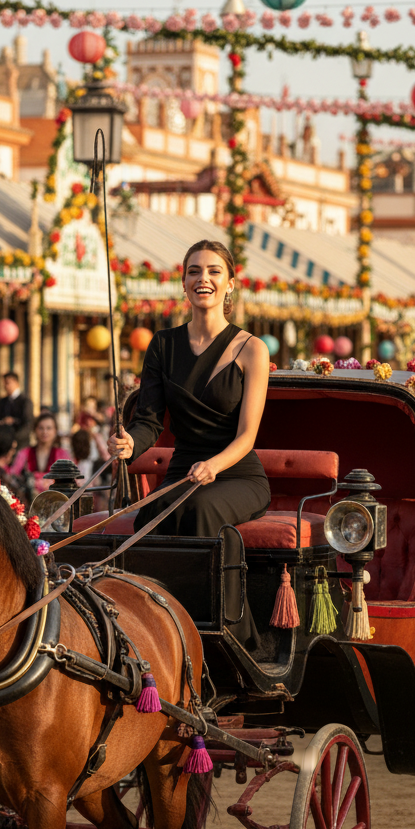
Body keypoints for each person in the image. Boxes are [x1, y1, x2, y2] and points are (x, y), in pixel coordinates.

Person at [107, 239, 270, 650]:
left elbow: (248, 435)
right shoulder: (163, 344)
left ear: (230, 284)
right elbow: (147, 421)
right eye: (194, 271)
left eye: (214, 271)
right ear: (183, 283)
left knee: (198, 509)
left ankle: (231, 636)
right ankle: (153, 635)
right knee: (149, 518)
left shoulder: (253, 349)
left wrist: (214, 465)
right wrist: (130, 445)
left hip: (236, 473)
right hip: (185, 470)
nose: (204, 279)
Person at [10, 411, 71, 495]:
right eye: (41, 428)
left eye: (49, 428)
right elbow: (13, 477)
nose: (44, 432)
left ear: (55, 431)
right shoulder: (24, 453)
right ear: (35, 430)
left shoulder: (63, 455)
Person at [0, 371, 34, 451]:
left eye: (8, 383)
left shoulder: (25, 401)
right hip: (4, 446)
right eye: (4, 383)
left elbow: (28, 424)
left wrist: (14, 438)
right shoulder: (2, 402)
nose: (5, 386)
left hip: (21, 445)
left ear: (16, 383)